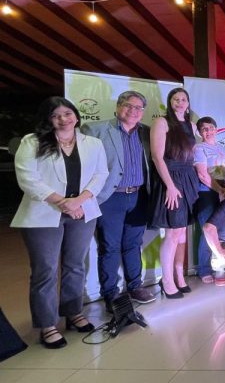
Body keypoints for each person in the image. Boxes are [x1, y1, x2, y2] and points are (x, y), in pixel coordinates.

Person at [12, 96, 108, 348]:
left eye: (67, 113)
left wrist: (79, 201)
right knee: (45, 270)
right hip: (43, 212)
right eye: (56, 115)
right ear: (48, 120)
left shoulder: (93, 143)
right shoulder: (32, 142)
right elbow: (27, 178)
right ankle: (47, 325)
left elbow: (101, 174)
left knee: (75, 265)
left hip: (83, 211)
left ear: (76, 115)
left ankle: (73, 312)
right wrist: (63, 202)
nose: (63, 119)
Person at [81, 91, 156, 308]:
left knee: (133, 244)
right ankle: (111, 293)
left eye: (138, 107)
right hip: (109, 198)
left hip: (139, 197)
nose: (133, 111)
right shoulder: (95, 130)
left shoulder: (147, 133)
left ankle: (135, 286)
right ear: (118, 106)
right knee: (109, 247)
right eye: (128, 105)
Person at [150, 87, 199, 299]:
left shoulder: (192, 125)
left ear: (188, 103)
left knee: (182, 232)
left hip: (189, 179)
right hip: (171, 179)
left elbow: (194, 155)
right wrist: (170, 186)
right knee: (172, 233)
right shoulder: (161, 122)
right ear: (170, 102)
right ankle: (167, 280)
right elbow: (157, 157)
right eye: (176, 99)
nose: (180, 102)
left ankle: (179, 275)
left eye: (183, 99)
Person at [192, 116, 225, 284]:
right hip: (206, 194)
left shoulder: (222, 148)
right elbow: (202, 175)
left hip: (223, 192)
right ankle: (203, 269)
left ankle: (219, 265)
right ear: (200, 132)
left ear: (216, 129)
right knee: (207, 231)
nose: (208, 131)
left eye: (211, 128)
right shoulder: (198, 148)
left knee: (220, 230)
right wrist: (219, 190)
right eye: (204, 129)